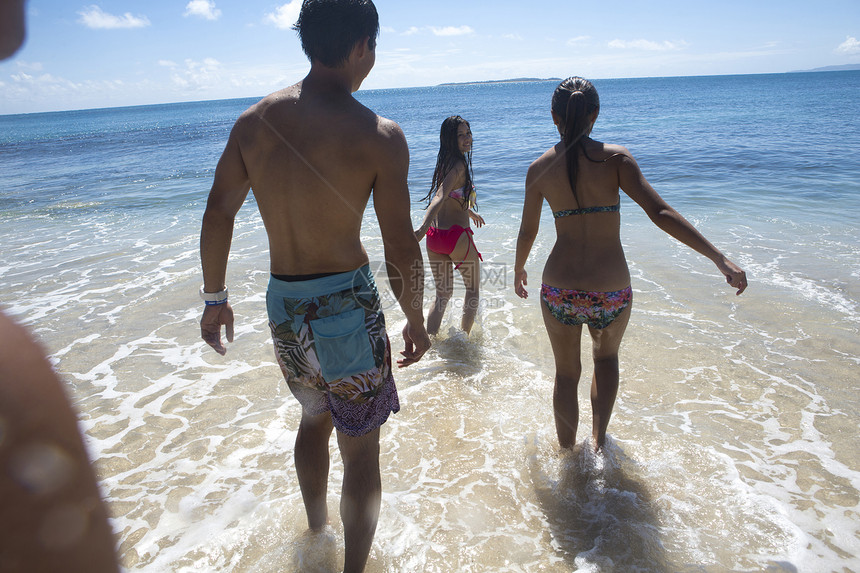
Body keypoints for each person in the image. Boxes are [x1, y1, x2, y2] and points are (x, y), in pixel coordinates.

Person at [198, 1, 430, 571]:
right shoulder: (379, 134)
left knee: (313, 417)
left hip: (284, 304)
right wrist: (416, 318)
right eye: (373, 47)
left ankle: (316, 534)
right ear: (359, 47)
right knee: (361, 447)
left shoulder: (254, 123)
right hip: (346, 302)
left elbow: (218, 212)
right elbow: (401, 246)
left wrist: (215, 299)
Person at [514, 76, 747, 452]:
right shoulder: (616, 159)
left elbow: (528, 231)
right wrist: (718, 258)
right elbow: (660, 212)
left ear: (553, 117)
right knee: (605, 360)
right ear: (596, 113)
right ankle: (598, 442)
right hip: (610, 291)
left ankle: (568, 457)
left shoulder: (538, 168)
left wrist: (518, 268)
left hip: (559, 289)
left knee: (565, 375)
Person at [415, 115, 486, 335]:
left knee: (442, 295)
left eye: (468, 133)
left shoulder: (444, 162)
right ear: (450, 139)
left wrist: (469, 211)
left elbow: (451, 197)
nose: (467, 139)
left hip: (436, 238)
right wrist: (420, 229)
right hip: (456, 237)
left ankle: (430, 340)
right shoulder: (458, 165)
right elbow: (439, 196)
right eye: (460, 135)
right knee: (473, 289)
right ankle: (464, 340)